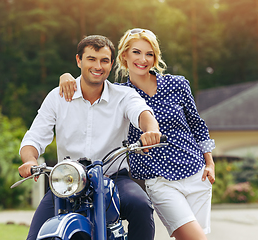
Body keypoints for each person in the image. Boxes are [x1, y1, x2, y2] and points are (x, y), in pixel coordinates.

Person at [59, 29, 216, 240]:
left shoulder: (178, 84)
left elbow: (197, 124)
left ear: (155, 57)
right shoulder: (119, 94)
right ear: (124, 55)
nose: (143, 59)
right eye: (136, 52)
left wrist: (209, 162)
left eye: (149, 54)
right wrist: (66, 76)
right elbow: (89, 83)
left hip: (196, 172)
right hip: (159, 180)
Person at [18, 35, 161, 240]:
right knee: (36, 236)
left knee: (141, 206)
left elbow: (142, 114)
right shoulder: (57, 97)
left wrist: (150, 131)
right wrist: (30, 160)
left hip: (113, 178)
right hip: (67, 182)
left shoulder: (123, 95)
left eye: (104, 60)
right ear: (79, 60)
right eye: (91, 59)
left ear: (111, 64)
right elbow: (34, 137)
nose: (98, 65)